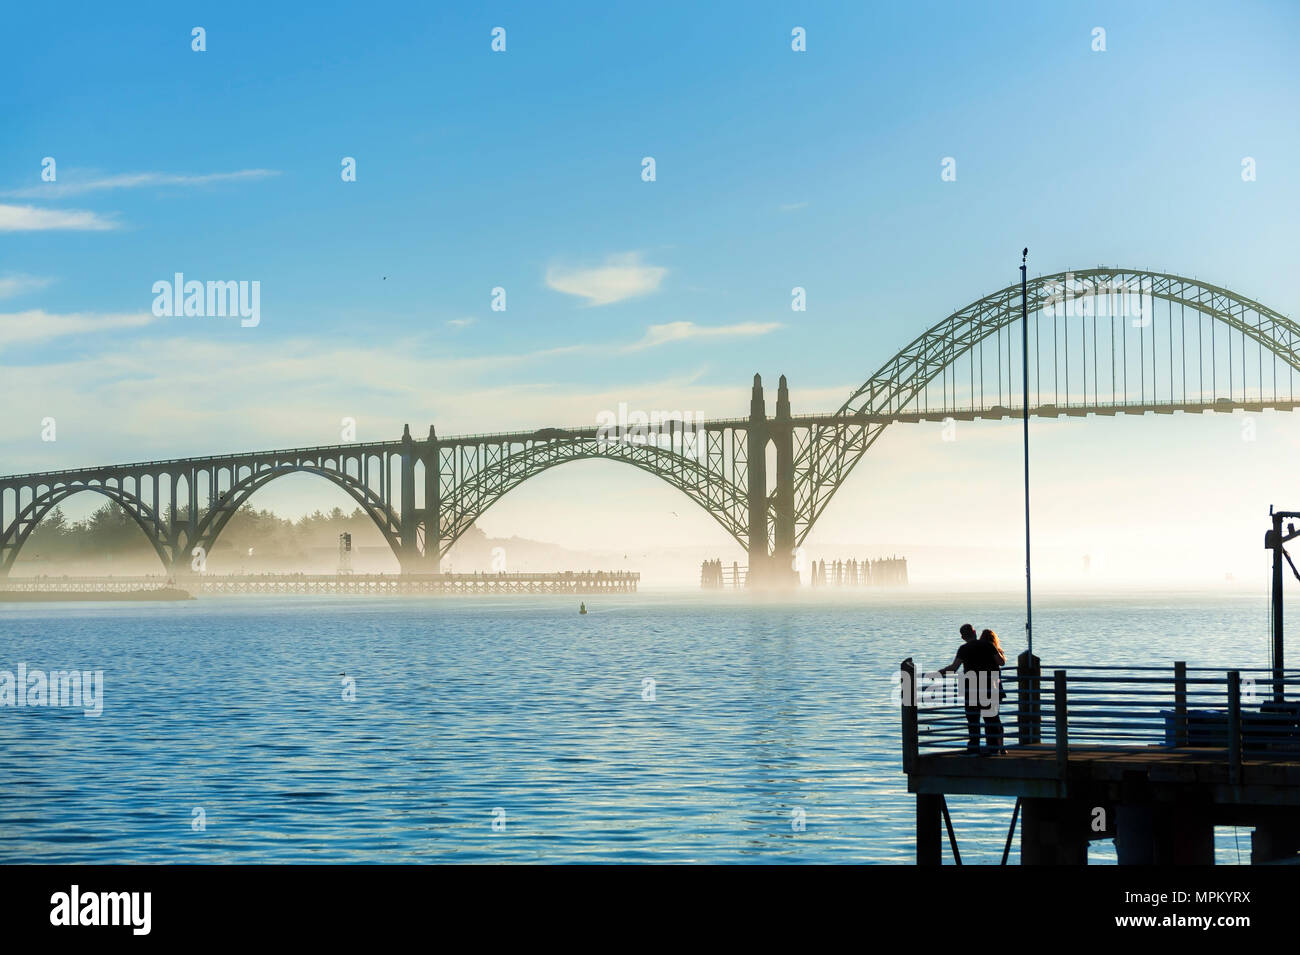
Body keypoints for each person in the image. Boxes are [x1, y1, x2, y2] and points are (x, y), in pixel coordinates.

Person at [939, 623, 1003, 755]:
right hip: (989, 687)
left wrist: (940, 672)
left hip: (971, 688)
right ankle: (993, 748)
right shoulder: (988, 645)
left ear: (963, 637)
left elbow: (954, 668)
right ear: (974, 632)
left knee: (973, 720)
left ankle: (974, 747)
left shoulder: (963, 649)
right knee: (990, 719)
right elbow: (1000, 662)